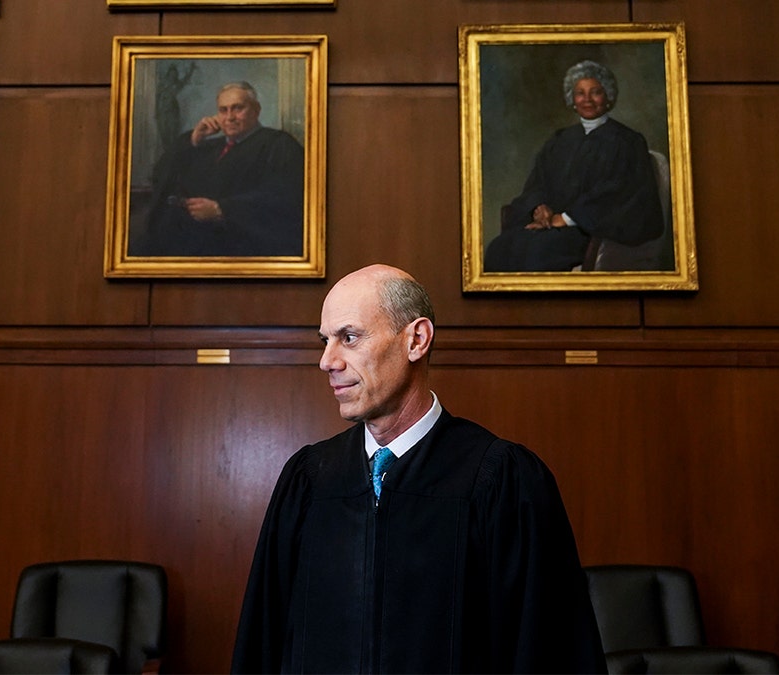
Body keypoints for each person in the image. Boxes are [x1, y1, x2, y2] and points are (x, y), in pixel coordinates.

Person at [231, 264, 606, 673]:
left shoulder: (501, 479)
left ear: (416, 339)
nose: (326, 361)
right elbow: (263, 643)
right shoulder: (310, 478)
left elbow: (549, 649)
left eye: (349, 338)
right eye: (324, 341)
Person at [485, 59, 665, 272]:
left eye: (595, 92)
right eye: (580, 93)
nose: (587, 99)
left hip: (590, 233)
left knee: (538, 251)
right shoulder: (560, 140)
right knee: (499, 247)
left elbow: (620, 195)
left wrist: (568, 219)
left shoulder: (628, 142)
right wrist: (538, 208)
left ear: (608, 96)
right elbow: (538, 182)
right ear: (572, 99)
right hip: (551, 226)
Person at [132, 81, 304, 257]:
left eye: (238, 108)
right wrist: (193, 139)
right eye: (223, 110)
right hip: (190, 239)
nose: (229, 117)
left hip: (240, 243)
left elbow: (283, 198)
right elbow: (160, 175)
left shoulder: (278, 144)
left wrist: (222, 209)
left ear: (256, 110)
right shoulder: (208, 147)